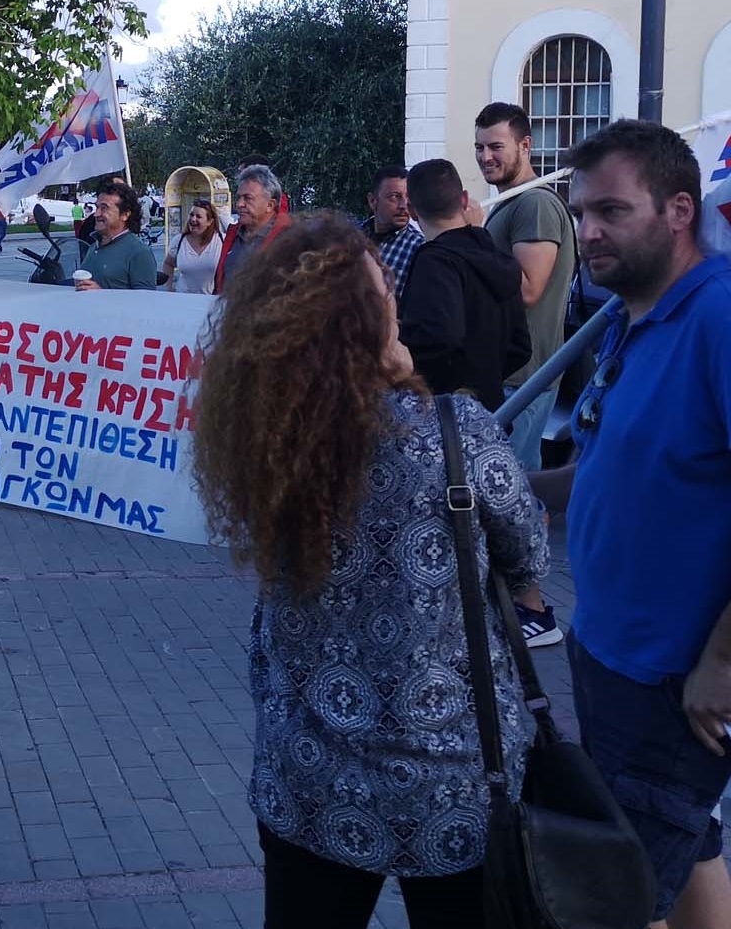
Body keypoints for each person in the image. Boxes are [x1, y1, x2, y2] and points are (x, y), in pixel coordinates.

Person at [529, 120, 731, 928]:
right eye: (580, 213)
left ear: (679, 210)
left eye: (612, 211)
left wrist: (729, 655)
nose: (588, 232)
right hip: (611, 650)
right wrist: (488, 486)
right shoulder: (634, 317)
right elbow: (604, 472)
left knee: (616, 894)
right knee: (688, 848)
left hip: (673, 676)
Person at [192, 213, 547, 928]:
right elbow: (529, 555)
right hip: (454, 780)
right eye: (385, 292)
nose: (399, 303)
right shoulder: (455, 433)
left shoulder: (265, 441)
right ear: (359, 323)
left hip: (310, 774)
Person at [475, 102, 578, 647]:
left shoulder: (535, 204)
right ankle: (519, 605)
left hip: (526, 374)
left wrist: (468, 244)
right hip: (512, 373)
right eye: (480, 147)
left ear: (525, 146)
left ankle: (533, 610)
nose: (486, 156)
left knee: (511, 495)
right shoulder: (513, 205)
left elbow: (529, 289)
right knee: (512, 490)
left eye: (496, 146)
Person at [395, 159, 531, 412]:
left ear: (411, 210)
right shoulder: (500, 260)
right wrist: (485, 379)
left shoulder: (435, 261)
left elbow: (440, 335)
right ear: (465, 200)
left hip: (444, 415)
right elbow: (521, 348)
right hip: (491, 412)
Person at [213, 164, 291, 295]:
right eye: (238, 197)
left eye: (248, 198)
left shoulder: (289, 239)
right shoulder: (233, 235)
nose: (239, 204)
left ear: (270, 205)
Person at [73, 182, 156, 292]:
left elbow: (146, 300)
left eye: (104, 208)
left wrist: (101, 293)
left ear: (125, 215)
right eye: (97, 207)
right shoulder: (93, 247)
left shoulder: (139, 252)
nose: (96, 214)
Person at [362, 164, 425, 299]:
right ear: (373, 201)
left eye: (408, 197)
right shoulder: (352, 239)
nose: (403, 205)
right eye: (394, 197)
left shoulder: (419, 249)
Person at [160, 199, 222, 295]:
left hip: (212, 299)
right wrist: (169, 288)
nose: (193, 219)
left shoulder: (221, 241)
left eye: (198, 216)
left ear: (210, 222)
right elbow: (168, 263)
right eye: (191, 215)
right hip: (184, 300)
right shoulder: (178, 241)